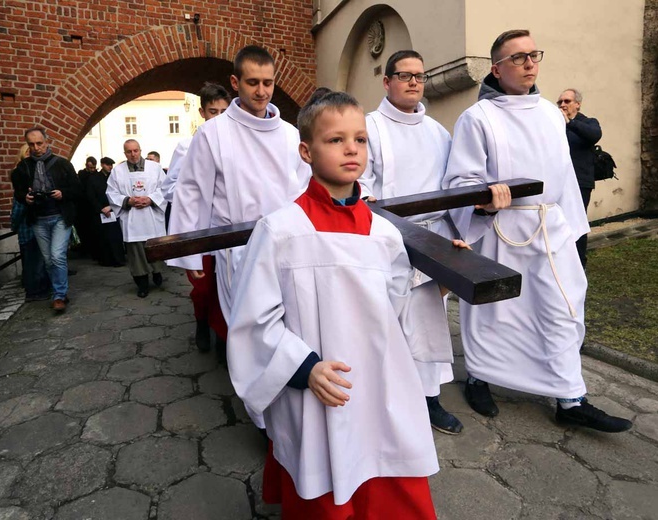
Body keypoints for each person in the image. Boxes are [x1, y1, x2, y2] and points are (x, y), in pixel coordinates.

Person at [228, 91, 460, 517]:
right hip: (321, 384)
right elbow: (253, 323)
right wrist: (304, 368)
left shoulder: (383, 234)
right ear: (306, 151)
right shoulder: (281, 231)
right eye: (335, 140)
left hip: (379, 382)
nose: (351, 148)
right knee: (327, 480)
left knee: (388, 466)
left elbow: (395, 309)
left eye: (360, 139)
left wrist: (439, 284)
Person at [442, 29, 632, 433]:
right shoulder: (477, 118)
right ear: (497, 68)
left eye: (534, 55)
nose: (530, 63)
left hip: (550, 227)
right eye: (519, 57)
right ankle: (480, 377)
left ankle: (570, 397)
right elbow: (460, 182)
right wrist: (485, 199)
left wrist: (570, 228)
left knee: (561, 309)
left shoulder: (549, 112)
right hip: (503, 231)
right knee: (496, 313)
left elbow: (562, 173)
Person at [168, 44, 311, 331]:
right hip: (236, 250)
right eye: (253, 82)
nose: (261, 91)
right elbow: (193, 193)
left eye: (268, 83)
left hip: (286, 248)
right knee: (244, 330)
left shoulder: (289, 134)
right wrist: (190, 251)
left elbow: (305, 191)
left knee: (289, 325)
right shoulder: (213, 133)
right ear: (235, 83)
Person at [359, 49, 461, 435]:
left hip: (435, 239)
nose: (414, 82)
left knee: (430, 322)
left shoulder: (438, 132)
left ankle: (428, 399)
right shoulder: (369, 127)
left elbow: (453, 189)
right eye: (404, 75)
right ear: (387, 82)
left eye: (419, 75)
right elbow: (360, 185)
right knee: (390, 325)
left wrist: (458, 235)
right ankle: (386, 401)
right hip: (387, 240)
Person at [162, 82, 231, 351]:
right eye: (213, 111)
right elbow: (170, 188)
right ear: (202, 113)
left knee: (230, 288)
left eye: (224, 111)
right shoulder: (187, 145)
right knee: (204, 289)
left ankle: (225, 341)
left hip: (228, 229)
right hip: (202, 230)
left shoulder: (235, 143)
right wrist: (198, 188)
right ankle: (202, 323)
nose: (219, 117)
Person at [11, 127, 81, 312]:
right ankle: (58, 290)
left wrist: (62, 193)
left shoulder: (62, 164)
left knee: (57, 256)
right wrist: (24, 198)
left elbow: (77, 189)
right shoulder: (23, 167)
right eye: (31, 144)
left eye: (39, 143)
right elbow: (17, 192)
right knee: (49, 260)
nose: (36, 147)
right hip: (38, 219)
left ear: (47, 142)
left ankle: (59, 295)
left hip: (59, 216)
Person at [106, 139, 167, 297]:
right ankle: (142, 283)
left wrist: (150, 199)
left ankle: (157, 272)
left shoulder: (155, 168)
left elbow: (165, 188)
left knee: (155, 247)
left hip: (151, 216)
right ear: (124, 153)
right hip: (132, 218)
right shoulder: (117, 171)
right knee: (136, 253)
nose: (133, 154)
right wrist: (128, 201)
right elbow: (111, 193)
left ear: (140, 150)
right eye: (129, 151)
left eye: (135, 150)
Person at [557, 88, 602, 269]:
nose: (562, 105)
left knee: (577, 224)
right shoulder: (556, 124)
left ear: (578, 104)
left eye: (567, 101)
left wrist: (571, 122)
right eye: (560, 102)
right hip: (559, 183)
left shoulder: (588, 122)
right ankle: (561, 263)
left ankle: (578, 265)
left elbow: (594, 135)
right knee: (558, 223)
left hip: (580, 183)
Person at [10, 144, 50, 302]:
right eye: (28, 152)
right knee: (33, 260)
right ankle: (35, 291)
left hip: (39, 224)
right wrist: (14, 224)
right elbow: (18, 206)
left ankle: (40, 288)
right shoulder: (21, 176)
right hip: (28, 227)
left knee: (39, 259)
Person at [85, 157, 125, 267]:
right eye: (108, 165)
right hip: (100, 212)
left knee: (115, 236)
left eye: (111, 165)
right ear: (102, 164)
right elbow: (90, 195)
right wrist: (100, 208)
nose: (110, 167)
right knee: (103, 237)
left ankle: (118, 259)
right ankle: (106, 260)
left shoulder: (113, 177)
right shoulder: (93, 178)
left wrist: (111, 206)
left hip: (112, 210)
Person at [75, 156, 99, 259]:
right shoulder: (82, 174)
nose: (92, 170)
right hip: (83, 206)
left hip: (92, 207)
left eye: (93, 168)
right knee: (84, 229)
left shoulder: (96, 175)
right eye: (90, 168)